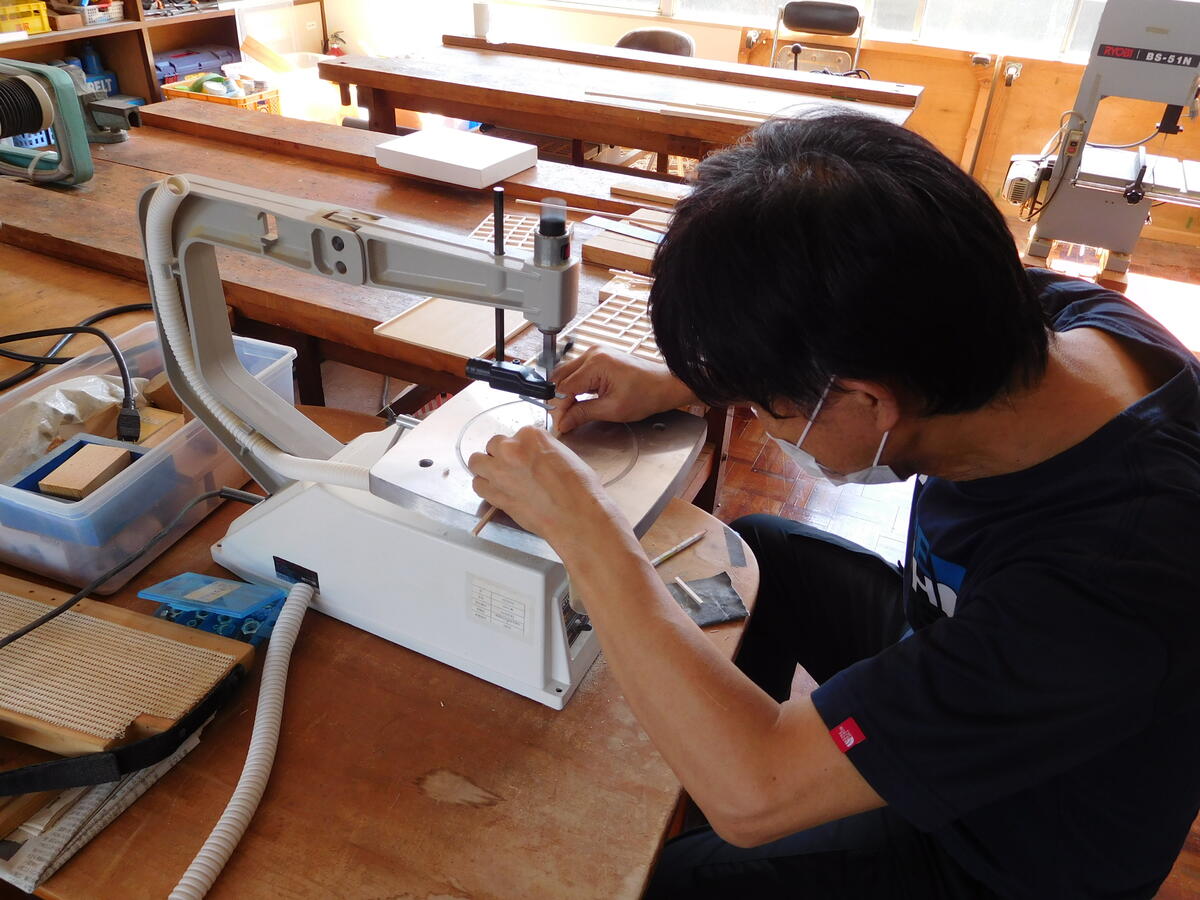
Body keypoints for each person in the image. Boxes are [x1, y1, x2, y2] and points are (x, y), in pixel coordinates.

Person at [466, 111, 1200, 899]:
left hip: (1007, 845)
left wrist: (585, 527)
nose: (756, 417)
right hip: (974, 646)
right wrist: (694, 379)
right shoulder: (1051, 321)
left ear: (867, 400)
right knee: (766, 556)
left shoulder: (1110, 577)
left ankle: (749, 814)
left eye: (766, 406)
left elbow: (755, 794)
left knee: (667, 881)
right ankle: (731, 790)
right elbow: (875, 316)